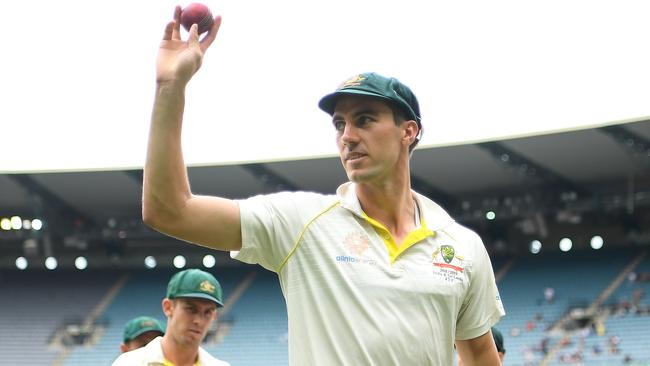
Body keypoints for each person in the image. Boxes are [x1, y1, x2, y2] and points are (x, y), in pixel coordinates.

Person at [142, 6, 505, 365]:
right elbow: (170, 210)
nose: (347, 136)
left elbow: (478, 355)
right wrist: (171, 88)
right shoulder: (300, 222)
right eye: (339, 125)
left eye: (364, 120)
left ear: (408, 131)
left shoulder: (461, 247)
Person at [112, 269, 230, 366]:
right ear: (168, 307)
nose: (198, 321)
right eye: (191, 309)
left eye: (208, 312)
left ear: (214, 316)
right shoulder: (129, 363)